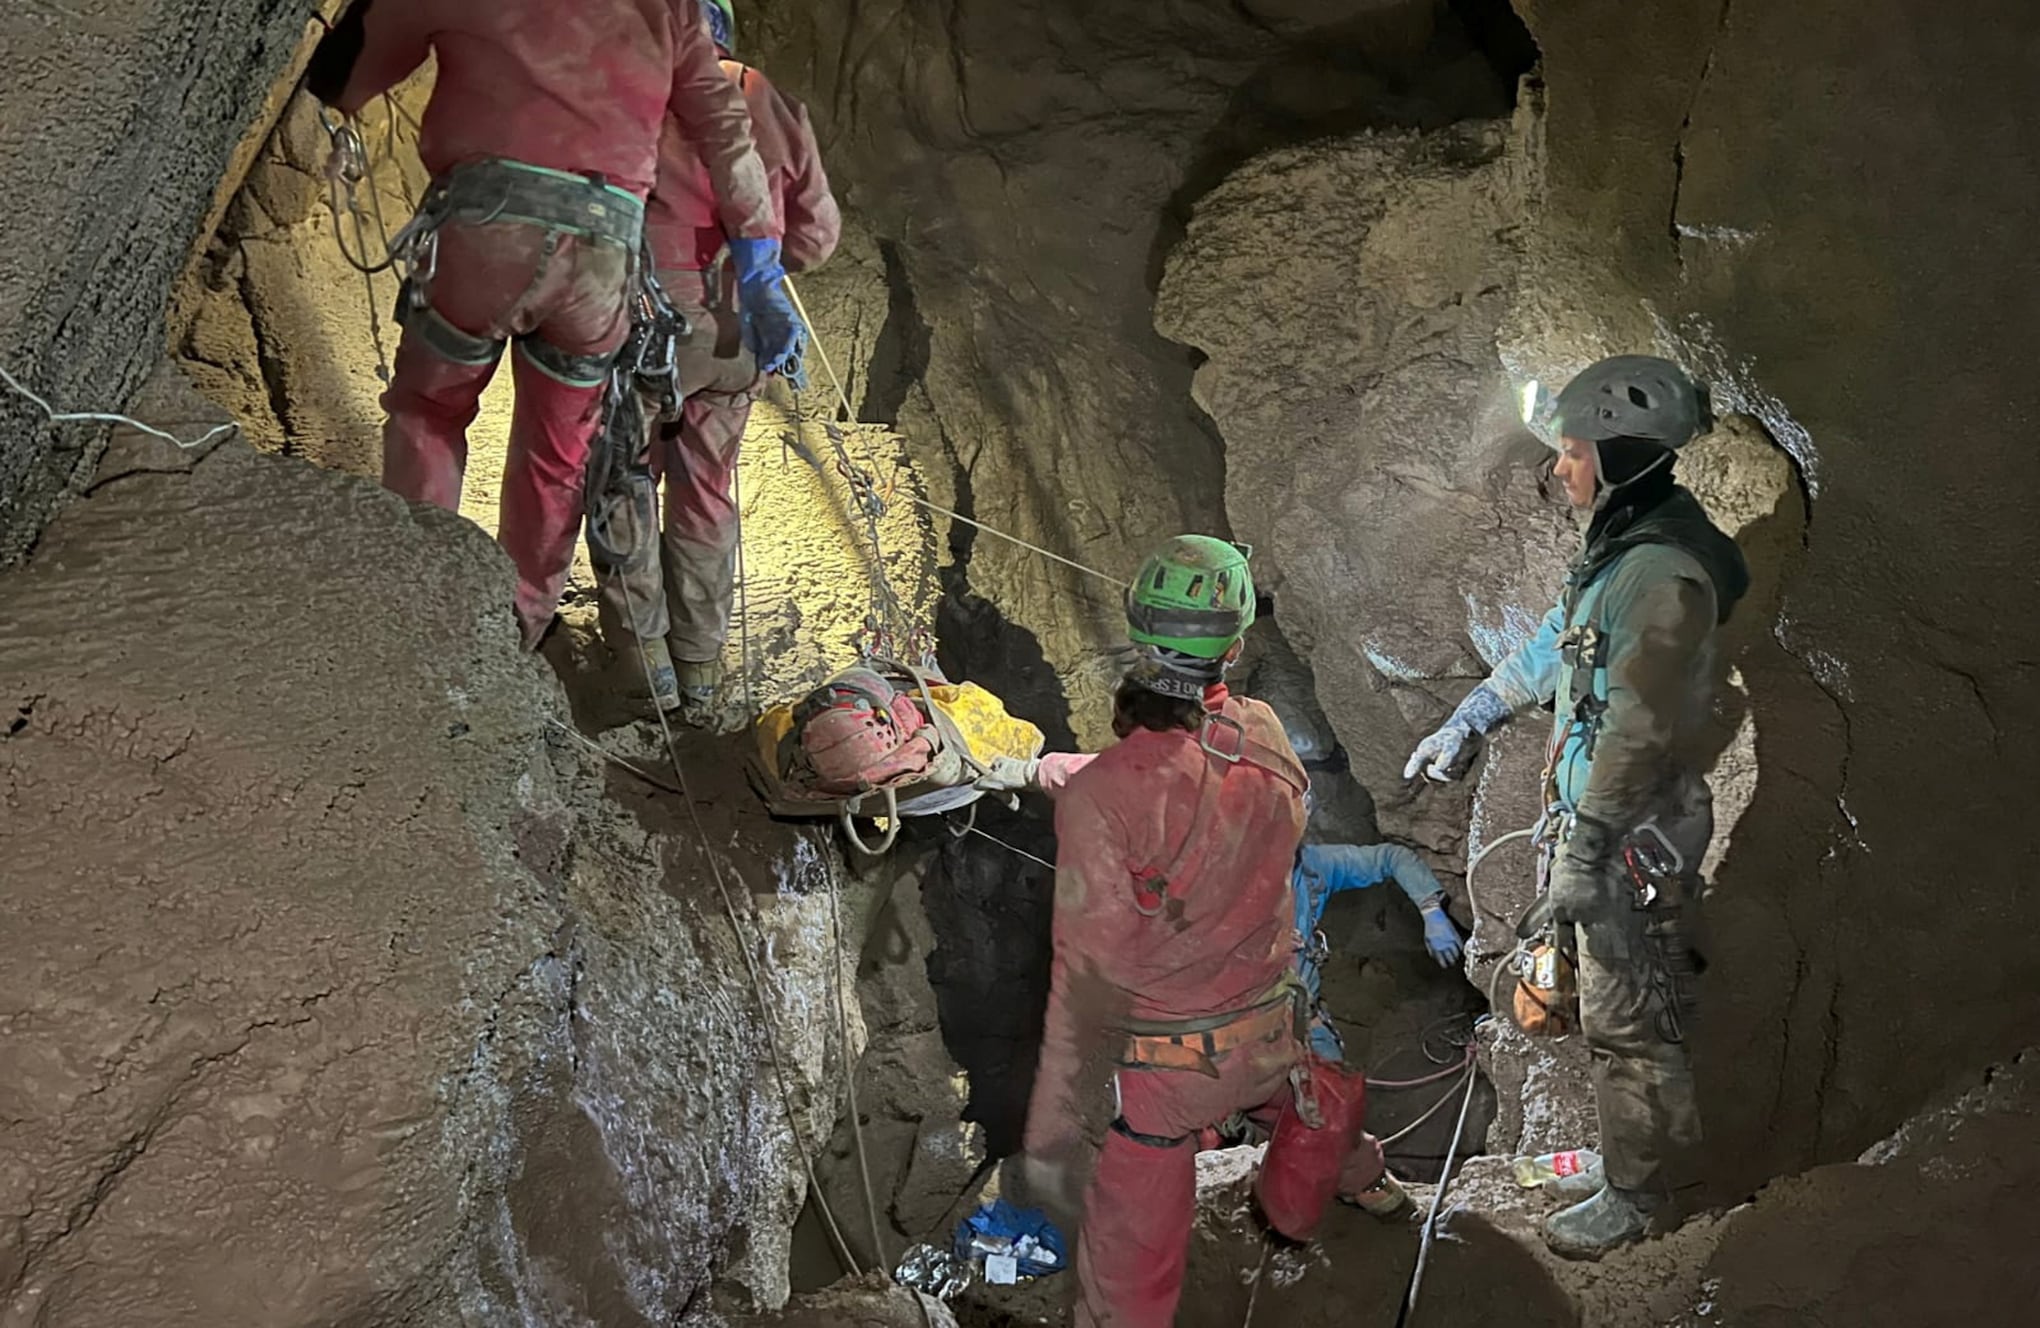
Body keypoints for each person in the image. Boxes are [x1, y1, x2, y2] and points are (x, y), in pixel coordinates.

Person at [306, 0, 803, 649]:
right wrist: (761, 271)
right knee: (557, 456)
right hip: (603, 261)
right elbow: (726, 134)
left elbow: (345, 80)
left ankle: (418, 604)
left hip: (489, 230)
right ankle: (518, 627)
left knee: (430, 409)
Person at [1401, 355, 1748, 1259]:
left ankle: (1642, 1199)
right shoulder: (1622, 556)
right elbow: (1560, 651)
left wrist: (1586, 856)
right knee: (1620, 1013)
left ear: (1621, 453)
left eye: (1571, 450)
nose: (1560, 468)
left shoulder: (1664, 573)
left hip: (1633, 835)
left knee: (1634, 1018)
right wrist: (1467, 717)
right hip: (1610, 826)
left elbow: (1636, 727)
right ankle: (1636, 1169)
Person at [1013, 535, 1401, 1328]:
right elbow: (1192, 775)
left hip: (1168, 1084)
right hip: (1270, 1034)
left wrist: (1050, 1139)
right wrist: (1060, 772)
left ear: (1139, 632)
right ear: (1234, 643)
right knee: (1301, 1097)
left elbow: (1081, 985)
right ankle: (1368, 1182)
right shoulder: (1262, 732)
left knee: (1127, 1276)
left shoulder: (1108, 801)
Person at [592, 0, 843, 714]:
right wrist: (753, 273)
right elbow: (817, 237)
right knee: (706, 488)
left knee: (621, 479)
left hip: (636, 332)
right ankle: (700, 664)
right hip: (736, 336)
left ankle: (648, 671)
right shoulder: (764, 98)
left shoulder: (620, 91)